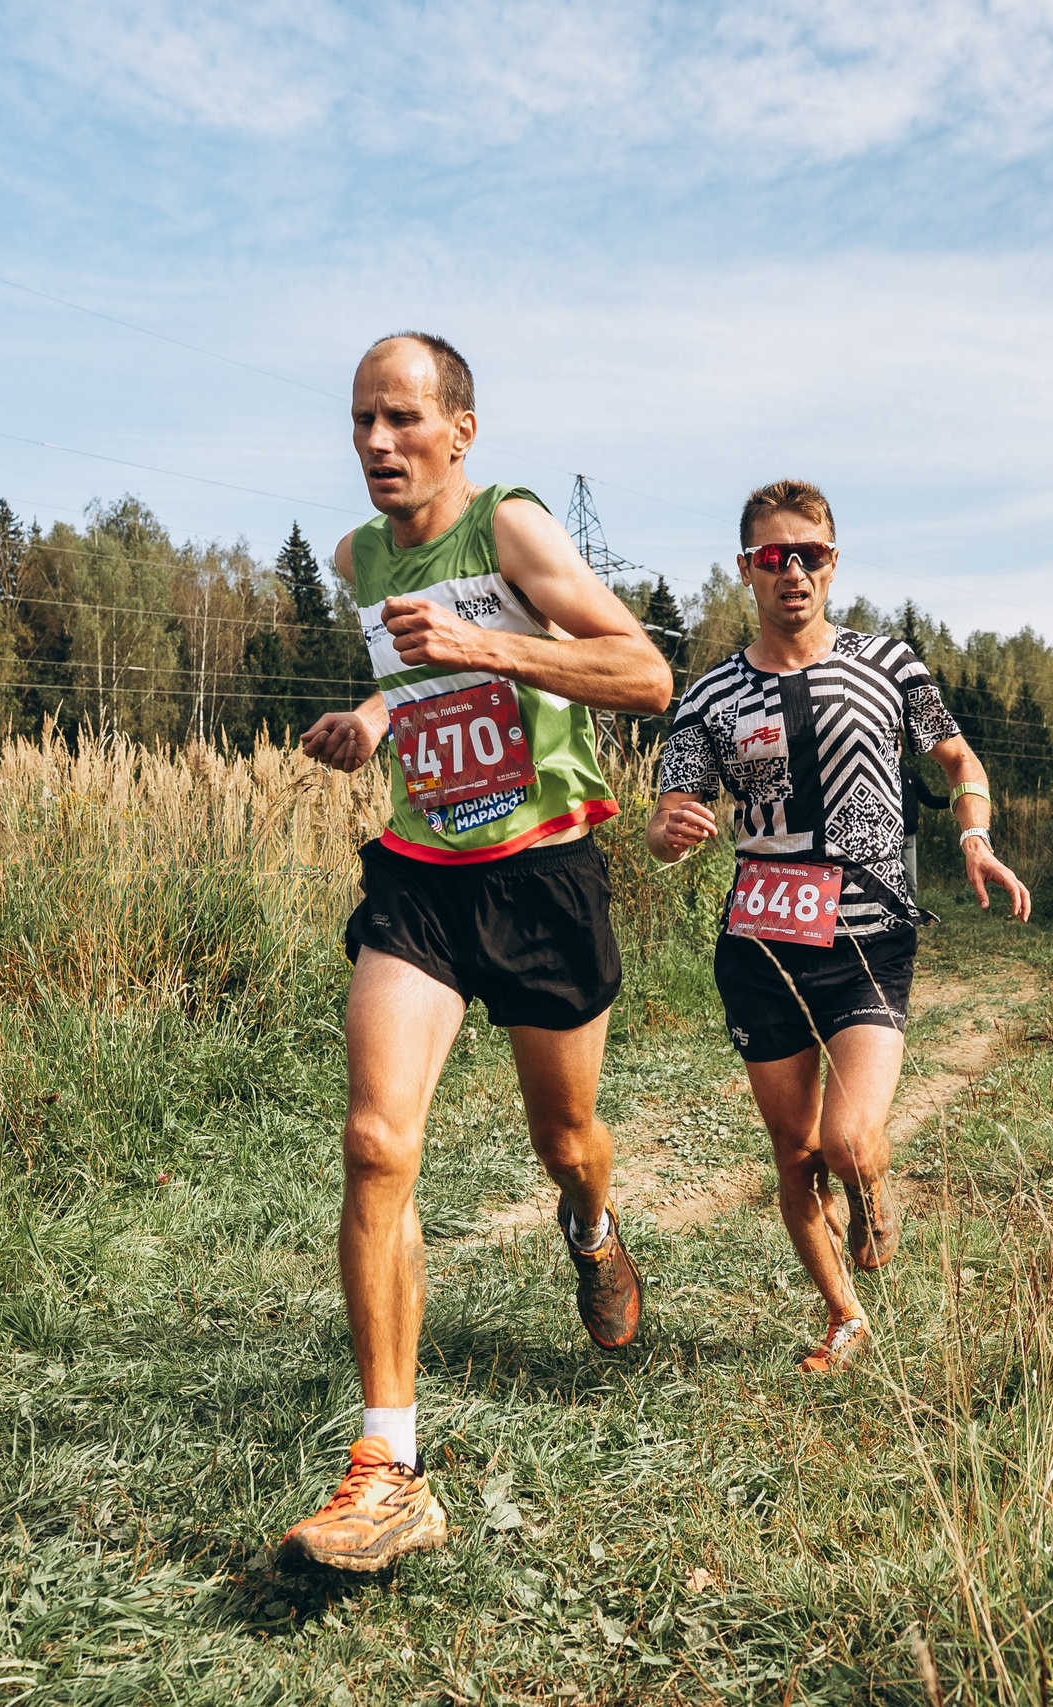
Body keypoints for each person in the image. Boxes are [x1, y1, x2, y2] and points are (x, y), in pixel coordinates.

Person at [279, 333, 673, 1572]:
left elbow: (646, 674)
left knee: (562, 1139)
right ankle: (389, 1466)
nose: (377, 445)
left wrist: (487, 645)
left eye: (401, 419)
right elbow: (414, 675)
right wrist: (375, 714)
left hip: (544, 868)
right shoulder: (356, 557)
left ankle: (592, 1222)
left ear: (460, 430)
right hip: (422, 875)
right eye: (360, 421)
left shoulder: (511, 529)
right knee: (375, 1139)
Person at [647, 479, 1030, 1374]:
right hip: (761, 946)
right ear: (745, 568)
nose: (792, 572)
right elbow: (670, 816)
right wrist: (668, 830)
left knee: (851, 1143)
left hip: (867, 935)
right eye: (773, 556)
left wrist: (973, 832)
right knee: (795, 1154)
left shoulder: (890, 664)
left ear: (833, 561)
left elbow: (957, 755)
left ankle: (871, 1188)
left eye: (809, 554)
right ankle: (844, 1317)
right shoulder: (710, 697)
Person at [898, 754, 950, 920]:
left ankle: (909, 918)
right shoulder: (882, 773)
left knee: (911, 882)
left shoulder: (910, 773)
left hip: (910, 837)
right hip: (891, 838)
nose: (896, 749)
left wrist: (955, 800)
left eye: (898, 746)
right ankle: (891, 918)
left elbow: (930, 800)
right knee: (892, 882)